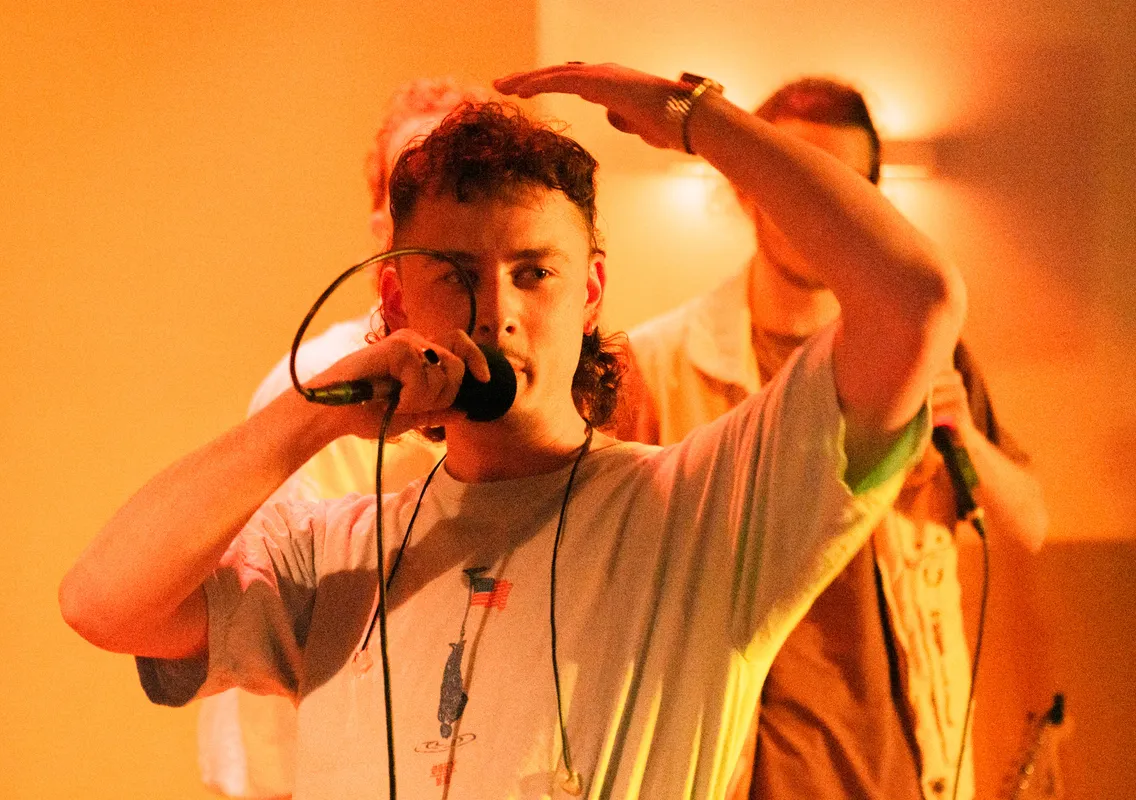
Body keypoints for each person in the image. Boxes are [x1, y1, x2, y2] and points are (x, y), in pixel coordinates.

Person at [60, 62, 966, 798]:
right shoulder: (333, 549)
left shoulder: (704, 513)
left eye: (534, 273)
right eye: (454, 275)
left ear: (591, 293)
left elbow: (914, 300)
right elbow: (102, 603)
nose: (496, 313)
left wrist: (698, 120)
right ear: (395, 299)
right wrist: (313, 412)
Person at [616, 77, 1049, 800]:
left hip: (906, 765)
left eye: (841, 190)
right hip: (737, 773)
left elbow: (1027, 525)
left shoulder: (927, 353)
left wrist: (963, 436)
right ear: (748, 189)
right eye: (798, 182)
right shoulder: (658, 365)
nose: (817, 213)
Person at [198, 77, 493, 799]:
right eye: (413, 191)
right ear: (381, 230)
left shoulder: (525, 379)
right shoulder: (314, 386)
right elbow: (272, 608)